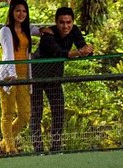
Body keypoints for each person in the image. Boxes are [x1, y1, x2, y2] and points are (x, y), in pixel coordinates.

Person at [30, 7, 94, 153]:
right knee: (36, 112)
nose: (65, 26)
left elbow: (82, 47)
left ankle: (56, 147)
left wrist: (88, 50)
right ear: (56, 22)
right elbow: (59, 53)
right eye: (62, 22)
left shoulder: (75, 31)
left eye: (68, 22)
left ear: (73, 22)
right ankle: (38, 149)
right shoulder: (48, 35)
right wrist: (79, 52)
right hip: (36, 75)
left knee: (58, 110)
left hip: (55, 77)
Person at [0, 0, 42, 154]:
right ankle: (10, 149)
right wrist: (10, 75)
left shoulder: (26, 29)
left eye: (24, 11)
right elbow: (8, 53)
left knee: (25, 115)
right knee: (7, 113)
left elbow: (38, 30)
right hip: (8, 76)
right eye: (18, 11)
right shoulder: (6, 30)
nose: (21, 14)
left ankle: (3, 145)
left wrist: (45, 30)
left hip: (23, 76)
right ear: (12, 12)